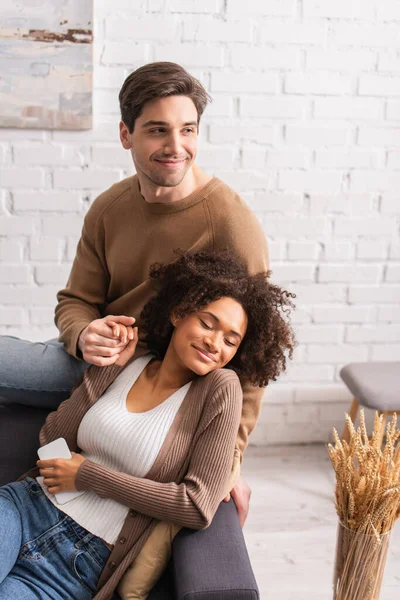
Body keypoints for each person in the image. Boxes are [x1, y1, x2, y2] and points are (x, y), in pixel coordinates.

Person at [0, 62, 269, 591]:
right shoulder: (109, 208)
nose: (176, 146)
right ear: (126, 134)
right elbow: (75, 301)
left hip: (170, 372)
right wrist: (83, 334)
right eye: (157, 129)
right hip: (103, 363)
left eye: (187, 130)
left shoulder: (230, 222)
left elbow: (251, 347)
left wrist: (228, 456)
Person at [0, 251, 295, 600]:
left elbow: (196, 505)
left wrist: (88, 476)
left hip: (74, 564)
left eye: (231, 340)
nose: (215, 343)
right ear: (178, 313)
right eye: (207, 323)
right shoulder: (131, 360)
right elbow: (52, 438)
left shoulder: (220, 389)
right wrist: (104, 372)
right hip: (24, 506)